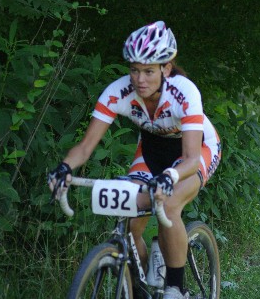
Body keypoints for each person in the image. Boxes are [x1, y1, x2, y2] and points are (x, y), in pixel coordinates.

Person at [47, 21, 222, 299]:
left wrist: (170, 176)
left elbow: (189, 158)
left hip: (196, 150)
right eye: (134, 70)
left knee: (170, 203)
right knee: (129, 220)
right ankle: (140, 285)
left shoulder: (184, 92)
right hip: (151, 151)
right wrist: (65, 168)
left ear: (166, 68)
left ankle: (177, 288)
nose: (140, 79)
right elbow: (85, 147)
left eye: (149, 71)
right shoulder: (118, 92)